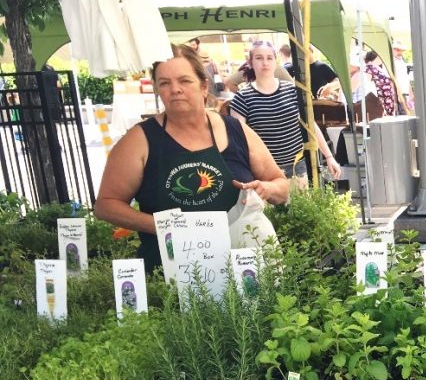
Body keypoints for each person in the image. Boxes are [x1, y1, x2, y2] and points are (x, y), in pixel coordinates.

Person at [94, 44, 291, 272]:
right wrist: (165, 227)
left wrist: (266, 188)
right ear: (157, 90)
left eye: (184, 81)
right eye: (165, 83)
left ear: (204, 86)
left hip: (244, 271)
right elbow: (106, 206)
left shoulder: (236, 130)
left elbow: (282, 187)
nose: (175, 89)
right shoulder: (139, 140)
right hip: (172, 277)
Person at [230, 40, 342, 186]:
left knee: (300, 208)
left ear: (275, 62)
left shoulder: (293, 90)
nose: (265, 62)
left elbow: (310, 124)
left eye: (269, 58)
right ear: (250, 62)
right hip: (264, 172)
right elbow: (238, 141)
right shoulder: (242, 98)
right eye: (259, 58)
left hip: (296, 168)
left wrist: (329, 156)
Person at [364, 50, 398, 116]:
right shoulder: (369, 68)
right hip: (379, 103)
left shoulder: (379, 68)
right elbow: (368, 86)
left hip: (387, 103)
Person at [392, 41, 414, 114]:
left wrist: (411, 93)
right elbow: (393, 80)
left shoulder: (401, 61)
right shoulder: (392, 62)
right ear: (392, 50)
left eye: (401, 50)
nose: (400, 52)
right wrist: (397, 96)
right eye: (397, 50)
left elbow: (405, 78)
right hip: (399, 94)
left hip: (404, 93)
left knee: (407, 114)